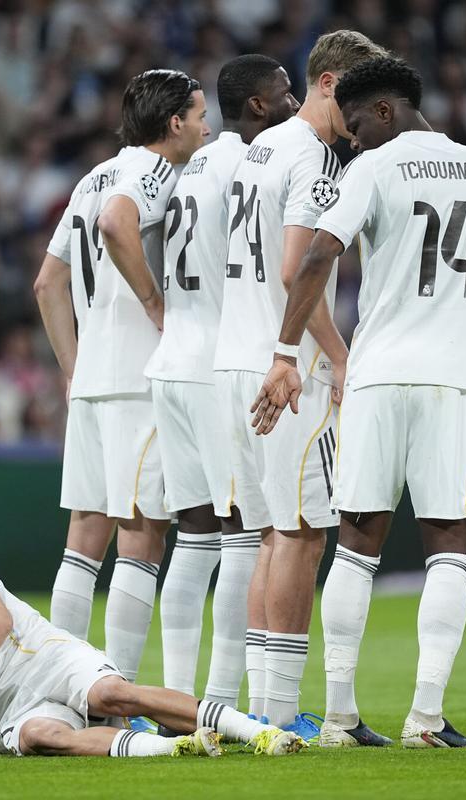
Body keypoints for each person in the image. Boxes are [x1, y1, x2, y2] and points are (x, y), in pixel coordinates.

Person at [249, 56, 466, 748]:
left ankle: (341, 716)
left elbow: (314, 258)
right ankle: (426, 718)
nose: (350, 143)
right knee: (450, 547)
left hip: (374, 378)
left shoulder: (376, 166)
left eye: (354, 130)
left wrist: (284, 353)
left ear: (383, 111)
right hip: (451, 384)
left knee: (356, 546)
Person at [212, 30, 388, 745]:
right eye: (360, 97)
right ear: (327, 84)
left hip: (233, 359)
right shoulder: (314, 157)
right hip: (285, 371)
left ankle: (263, 713)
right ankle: (282, 716)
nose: (368, 114)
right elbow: (297, 269)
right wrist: (338, 357)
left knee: (267, 538)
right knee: (301, 534)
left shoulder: (259, 150)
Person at [0, 501, 306, 758]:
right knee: (41, 737)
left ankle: (254, 731)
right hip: (5, 716)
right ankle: (179, 746)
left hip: (41, 656)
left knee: (113, 695)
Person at [33, 70, 209, 684]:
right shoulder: (153, 172)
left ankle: (59, 686)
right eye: (199, 115)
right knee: (141, 535)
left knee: (84, 537)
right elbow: (117, 225)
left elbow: (47, 284)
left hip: (94, 381)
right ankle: (117, 693)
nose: (207, 127)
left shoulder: (91, 177)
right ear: (174, 124)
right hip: (139, 376)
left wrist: (73, 369)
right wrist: (155, 303)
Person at [145, 54, 300, 711]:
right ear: (258, 107)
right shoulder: (246, 159)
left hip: (171, 363)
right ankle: (220, 705)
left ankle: (181, 702)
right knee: (247, 536)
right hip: (216, 365)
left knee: (197, 537)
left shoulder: (184, 168)